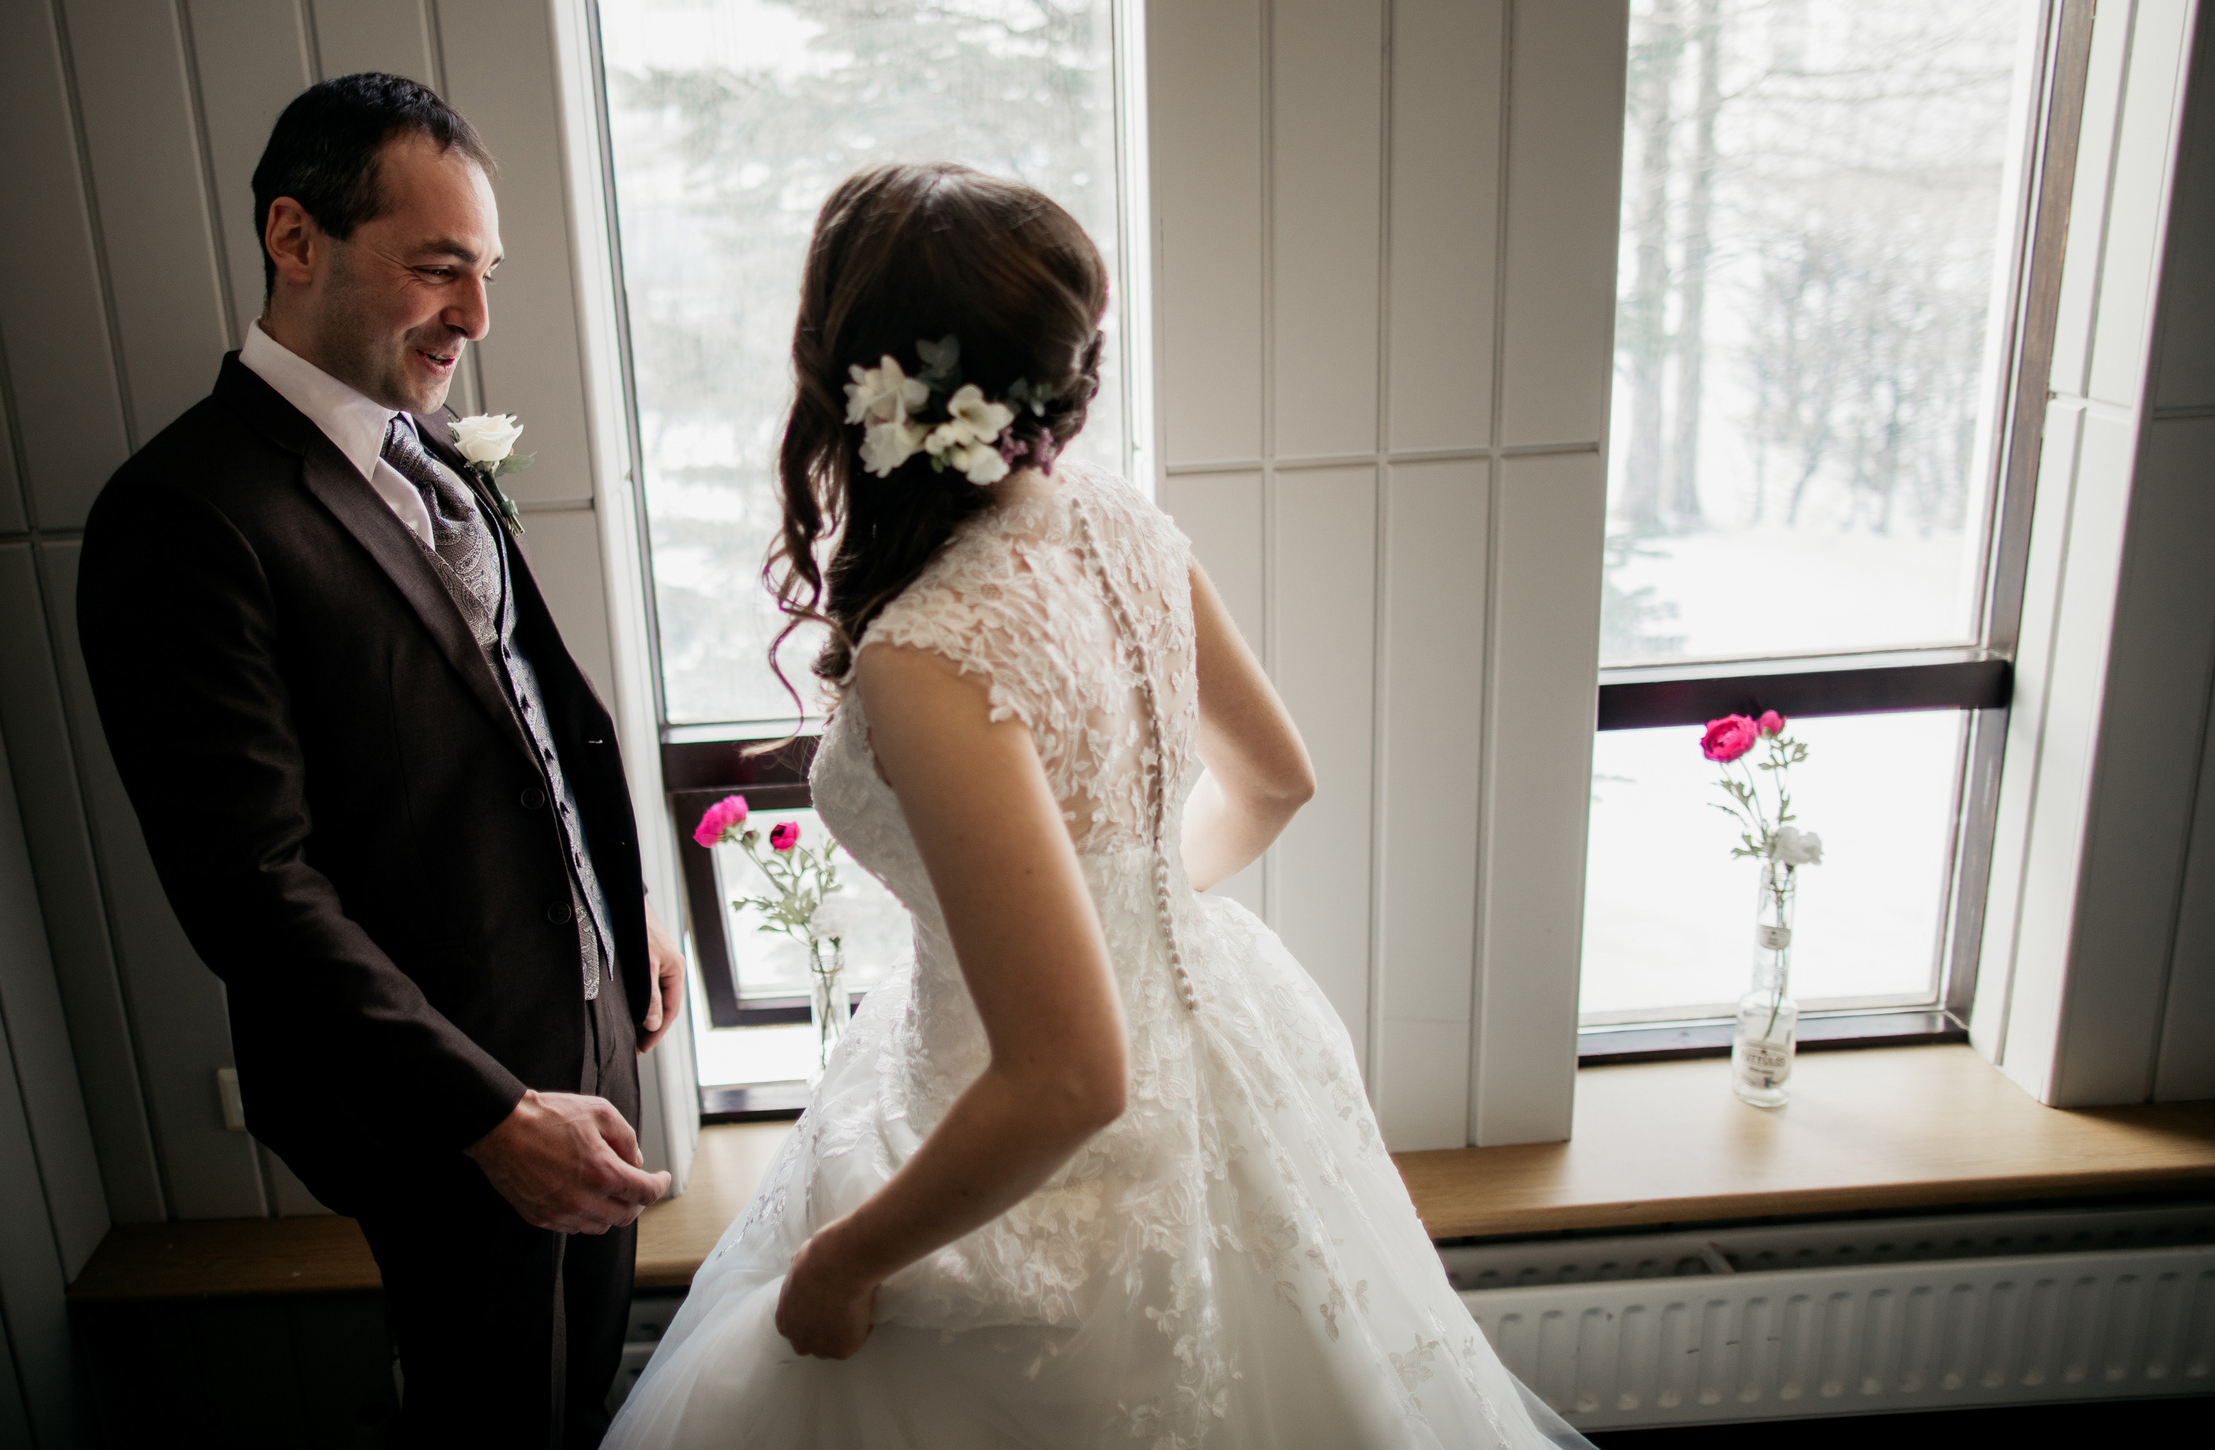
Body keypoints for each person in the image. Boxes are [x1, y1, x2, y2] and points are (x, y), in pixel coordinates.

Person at [605, 164, 1590, 1447]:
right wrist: (1129, 914)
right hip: (1223, 1042)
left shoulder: (930, 650)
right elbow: (1279, 781)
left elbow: (1069, 1074)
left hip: (1027, 1146)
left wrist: (844, 1262)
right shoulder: (1121, 524)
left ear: (858, 374)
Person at [77, 73, 690, 1448]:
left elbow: (518, 706)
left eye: (485, 271)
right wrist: (483, 1111)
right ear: (297, 240)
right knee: (490, 1413)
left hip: (579, 1012)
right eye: (437, 270)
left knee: (576, 1387)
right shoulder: (182, 516)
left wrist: (622, 900)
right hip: (446, 1093)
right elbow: (248, 882)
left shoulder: (428, 453)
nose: (475, 317)